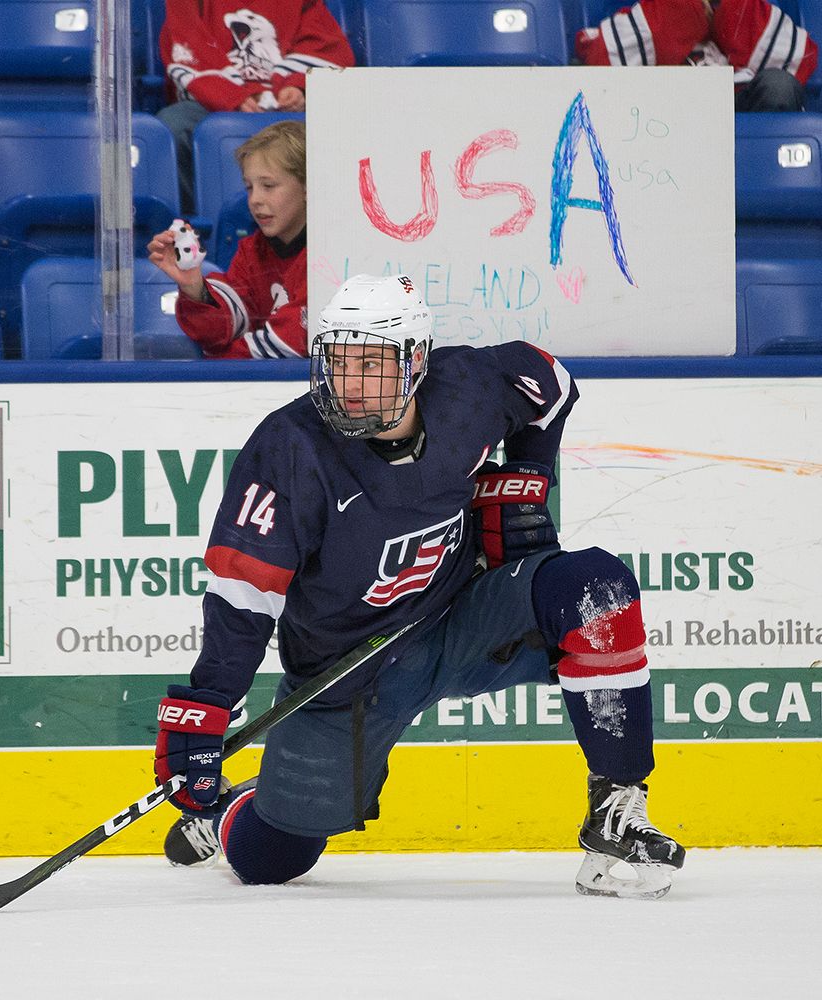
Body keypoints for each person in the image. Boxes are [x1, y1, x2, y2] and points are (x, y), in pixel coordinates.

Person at [153, 273, 686, 899]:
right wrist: (210, 701)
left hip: (462, 616)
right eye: (338, 363)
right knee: (272, 859)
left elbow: (553, 384)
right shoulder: (290, 446)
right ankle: (231, 812)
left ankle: (617, 809)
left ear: (417, 363)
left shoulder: (468, 388)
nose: (351, 386)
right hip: (346, 673)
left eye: (373, 364)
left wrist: (525, 477)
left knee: (596, 589)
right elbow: (244, 595)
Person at [156, 0, 354, 214]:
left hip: (285, 102)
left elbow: (325, 46)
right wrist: (233, 95)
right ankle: (196, 227)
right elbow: (187, 45)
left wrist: (299, 88)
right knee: (173, 126)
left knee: (348, 125)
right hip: (214, 103)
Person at [147, 119, 307, 359]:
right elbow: (223, 326)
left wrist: (219, 362)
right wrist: (195, 288)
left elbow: (293, 343)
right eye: (250, 187)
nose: (255, 200)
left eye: (268, 186)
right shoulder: (252, 250)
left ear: (308, 187)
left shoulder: (326, 255)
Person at [575, 0, 818, 112]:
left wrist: (723, 9)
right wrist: (685, 10)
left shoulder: (745, 7)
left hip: (736, 120)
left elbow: (800, 59)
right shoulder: (648, 13)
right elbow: (597, 61)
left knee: (779, 86)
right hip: (659, 117)